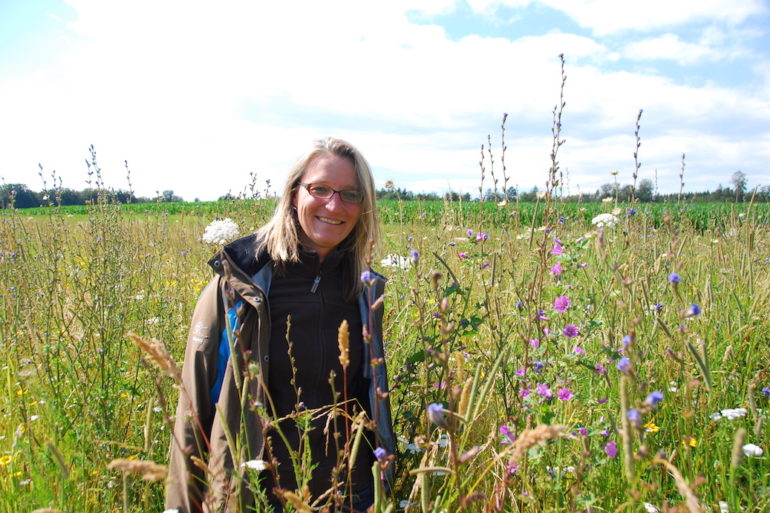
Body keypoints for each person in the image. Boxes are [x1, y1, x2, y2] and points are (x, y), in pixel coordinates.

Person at [165, 137, 395, 513]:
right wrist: (182, 504)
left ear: (364, 207)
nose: (334, 205)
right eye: (319, 189)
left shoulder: (365, 291)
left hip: (348, 496)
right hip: (255, 496)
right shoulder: (240, 285)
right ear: (293, 194)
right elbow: (194, 404)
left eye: (350, 195)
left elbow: (368, 401)